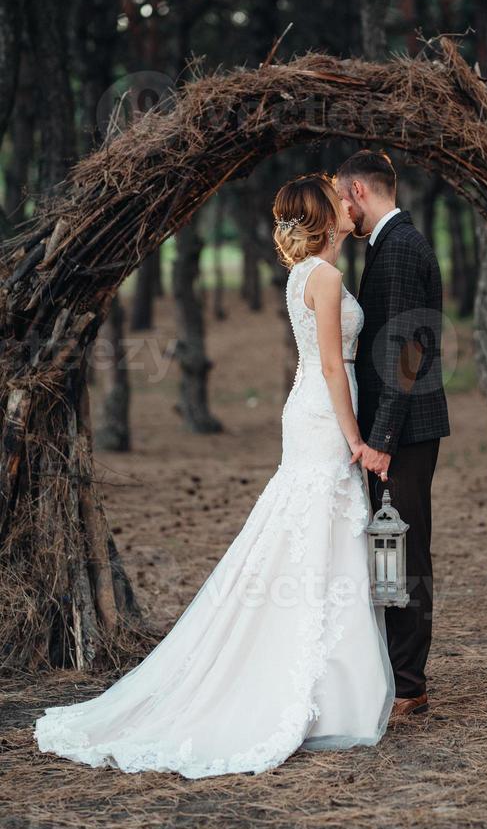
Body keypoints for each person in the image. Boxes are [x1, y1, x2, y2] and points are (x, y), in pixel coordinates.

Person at [33, 173, 394, 778]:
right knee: (317, 532)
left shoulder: (300, 275)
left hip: (305, 408)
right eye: (338, 202)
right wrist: (356, 437)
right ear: (324, 217)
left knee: (310, 531)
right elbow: (334, 365)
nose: (346, 205)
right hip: (326, 411)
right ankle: (320, 691)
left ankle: (326, 687)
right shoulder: (326, 278)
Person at [335, 150, 450, 718]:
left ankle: (410, 685)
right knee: (389, 547)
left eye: (339, 196)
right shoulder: (386, 244)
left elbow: (408, 351)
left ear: (358, 189)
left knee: (403, 552)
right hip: (395, 428)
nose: (338, 208)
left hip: (405, 431)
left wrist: (380, 439)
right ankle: (394, 672)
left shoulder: (400, 246)